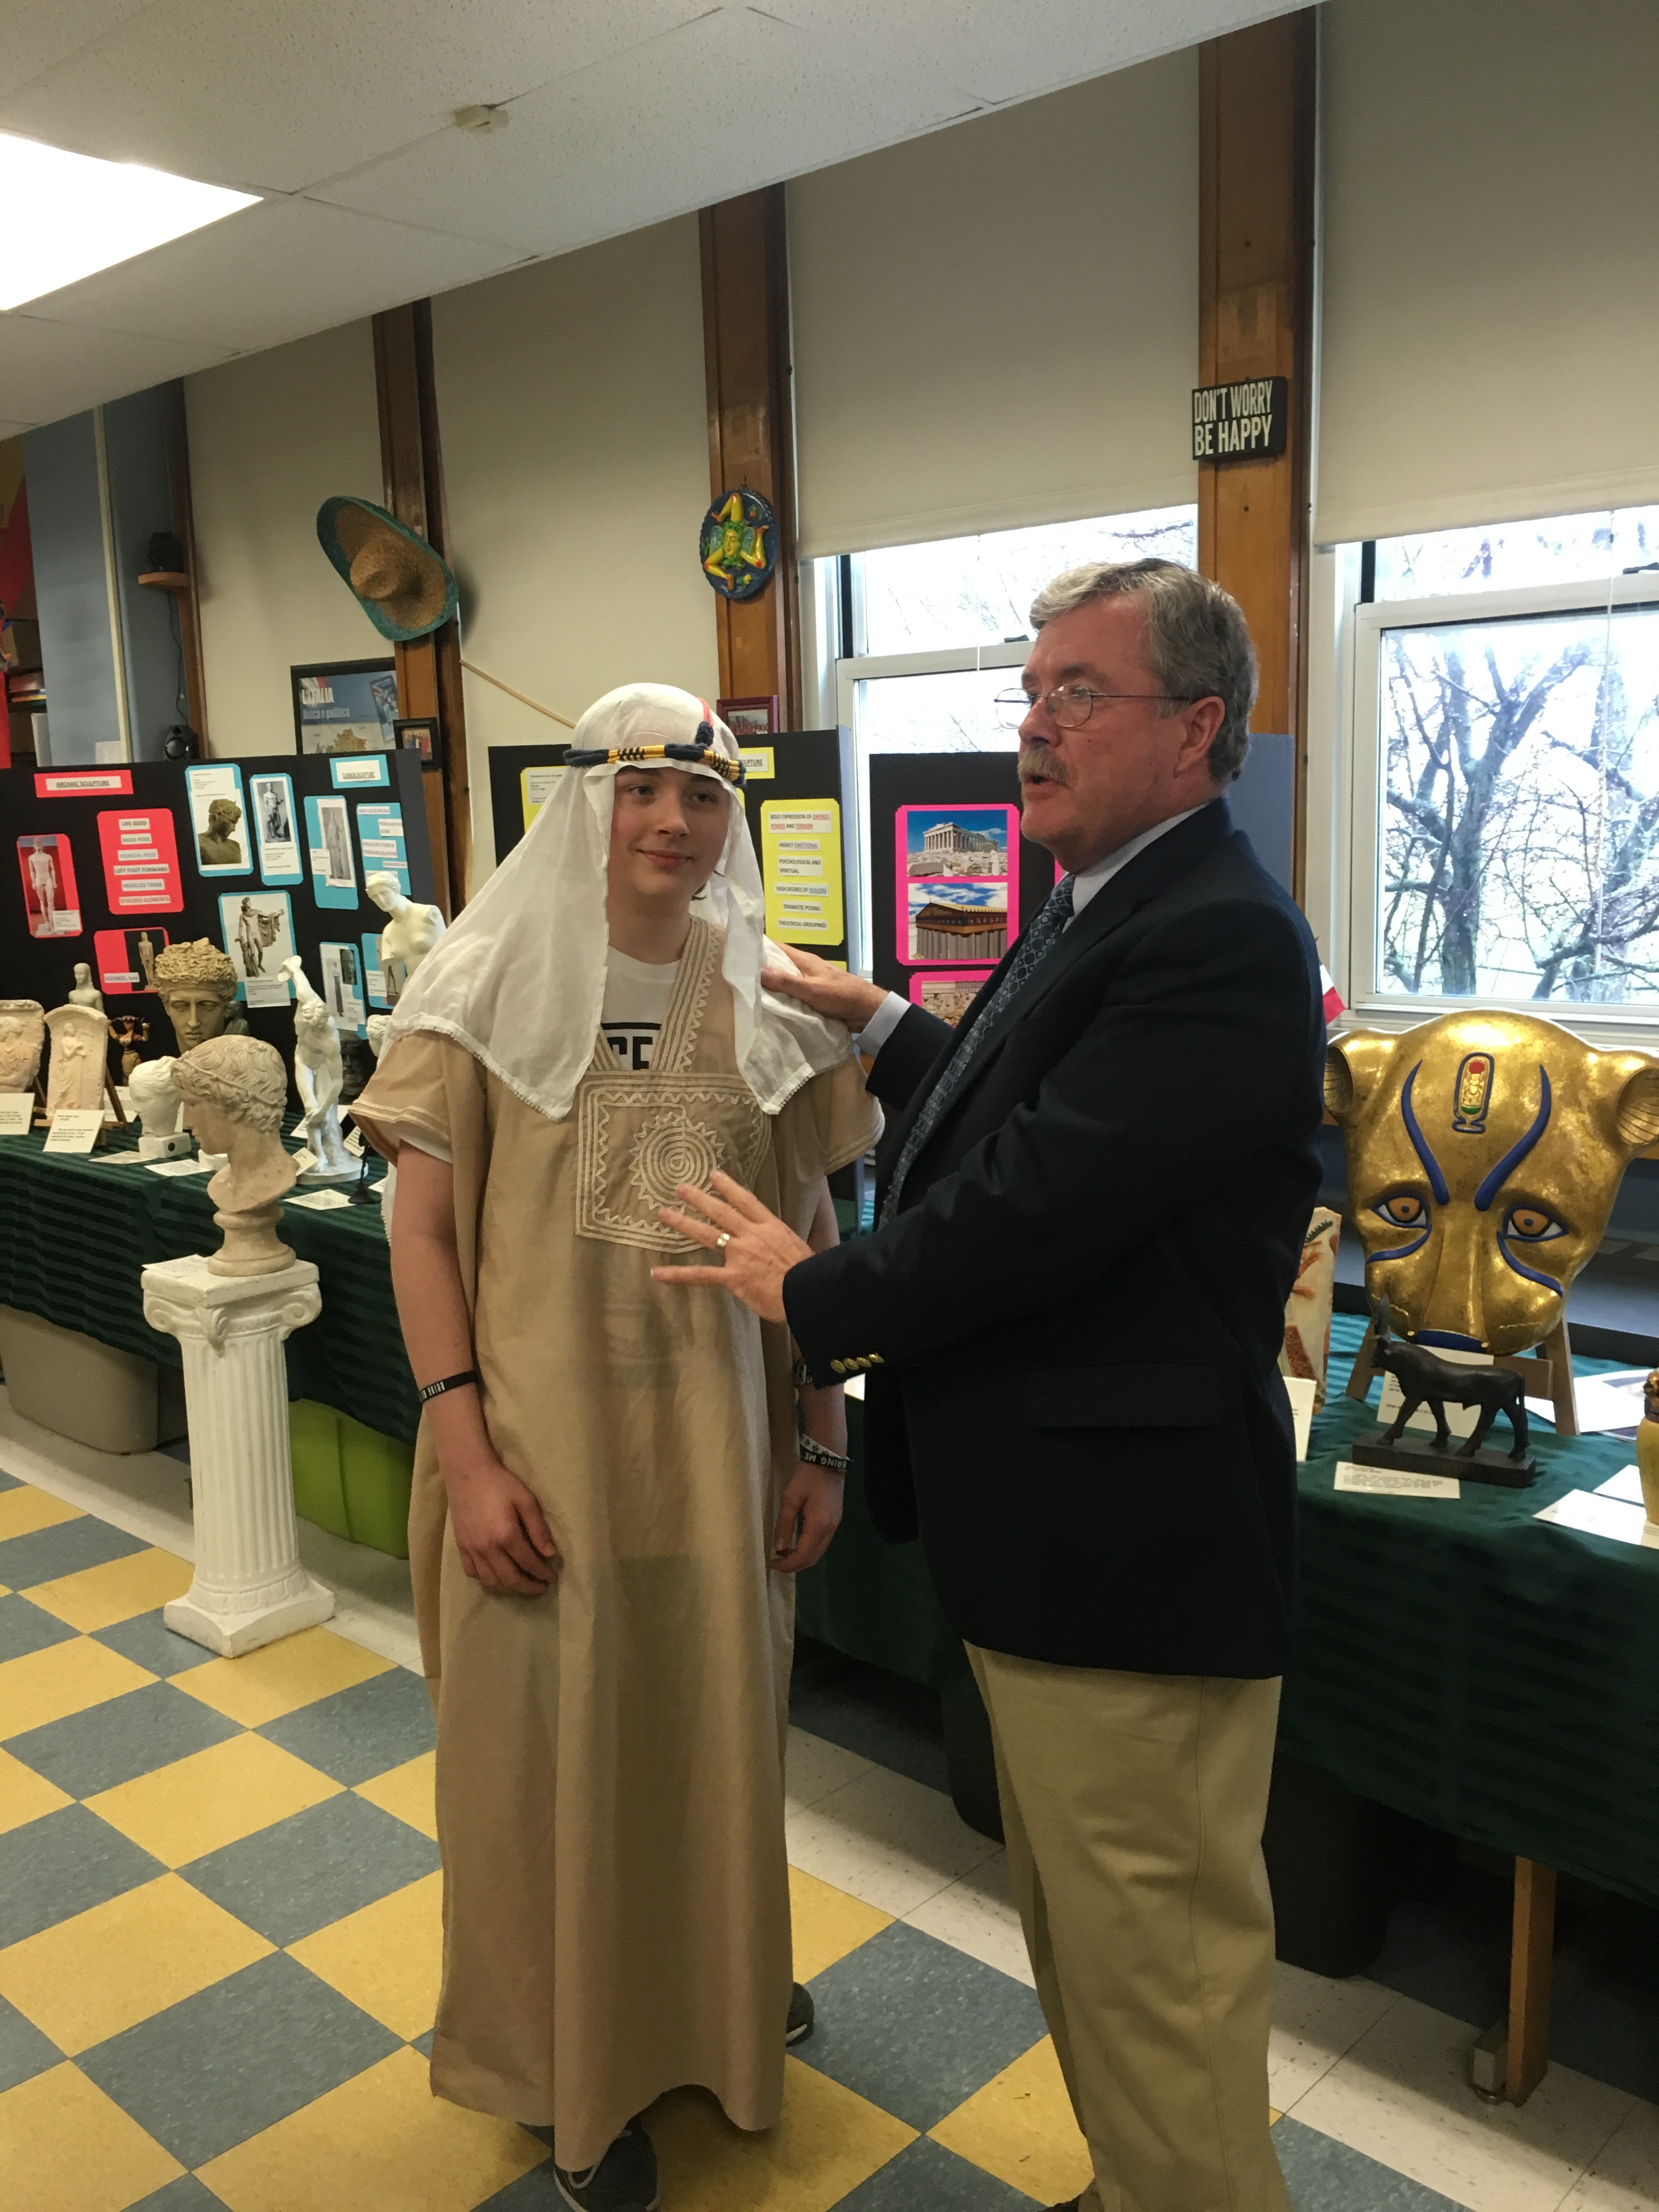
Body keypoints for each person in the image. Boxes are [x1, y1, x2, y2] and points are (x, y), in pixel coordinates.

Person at [655, 561, 1326, 2212]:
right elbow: (1035, 1114)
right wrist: (885, 1020)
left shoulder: (1222, 934)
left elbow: (1040, 1205)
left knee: (1160, 1979)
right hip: (1055, 1543)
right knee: (1092, 1949)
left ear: (1197, 728)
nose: (1033, 728)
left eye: (1076, 696)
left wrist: (813, 1291)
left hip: (1132, 1557)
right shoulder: (1111, 901)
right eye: (1029, 694)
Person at [351, 684, 878, 2212]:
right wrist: (467, 1458)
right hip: (539, 1465)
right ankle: (566, 2079)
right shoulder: (479, 983)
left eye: (704, 796)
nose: (672, 821)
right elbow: (423, 1235)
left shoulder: (764, 992)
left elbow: (815, 1228)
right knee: (543, 1776)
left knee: (710, 1748)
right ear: (585, 799)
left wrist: (823, 1442)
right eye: (641, 788)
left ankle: (716, 2005)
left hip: (719, 1463)